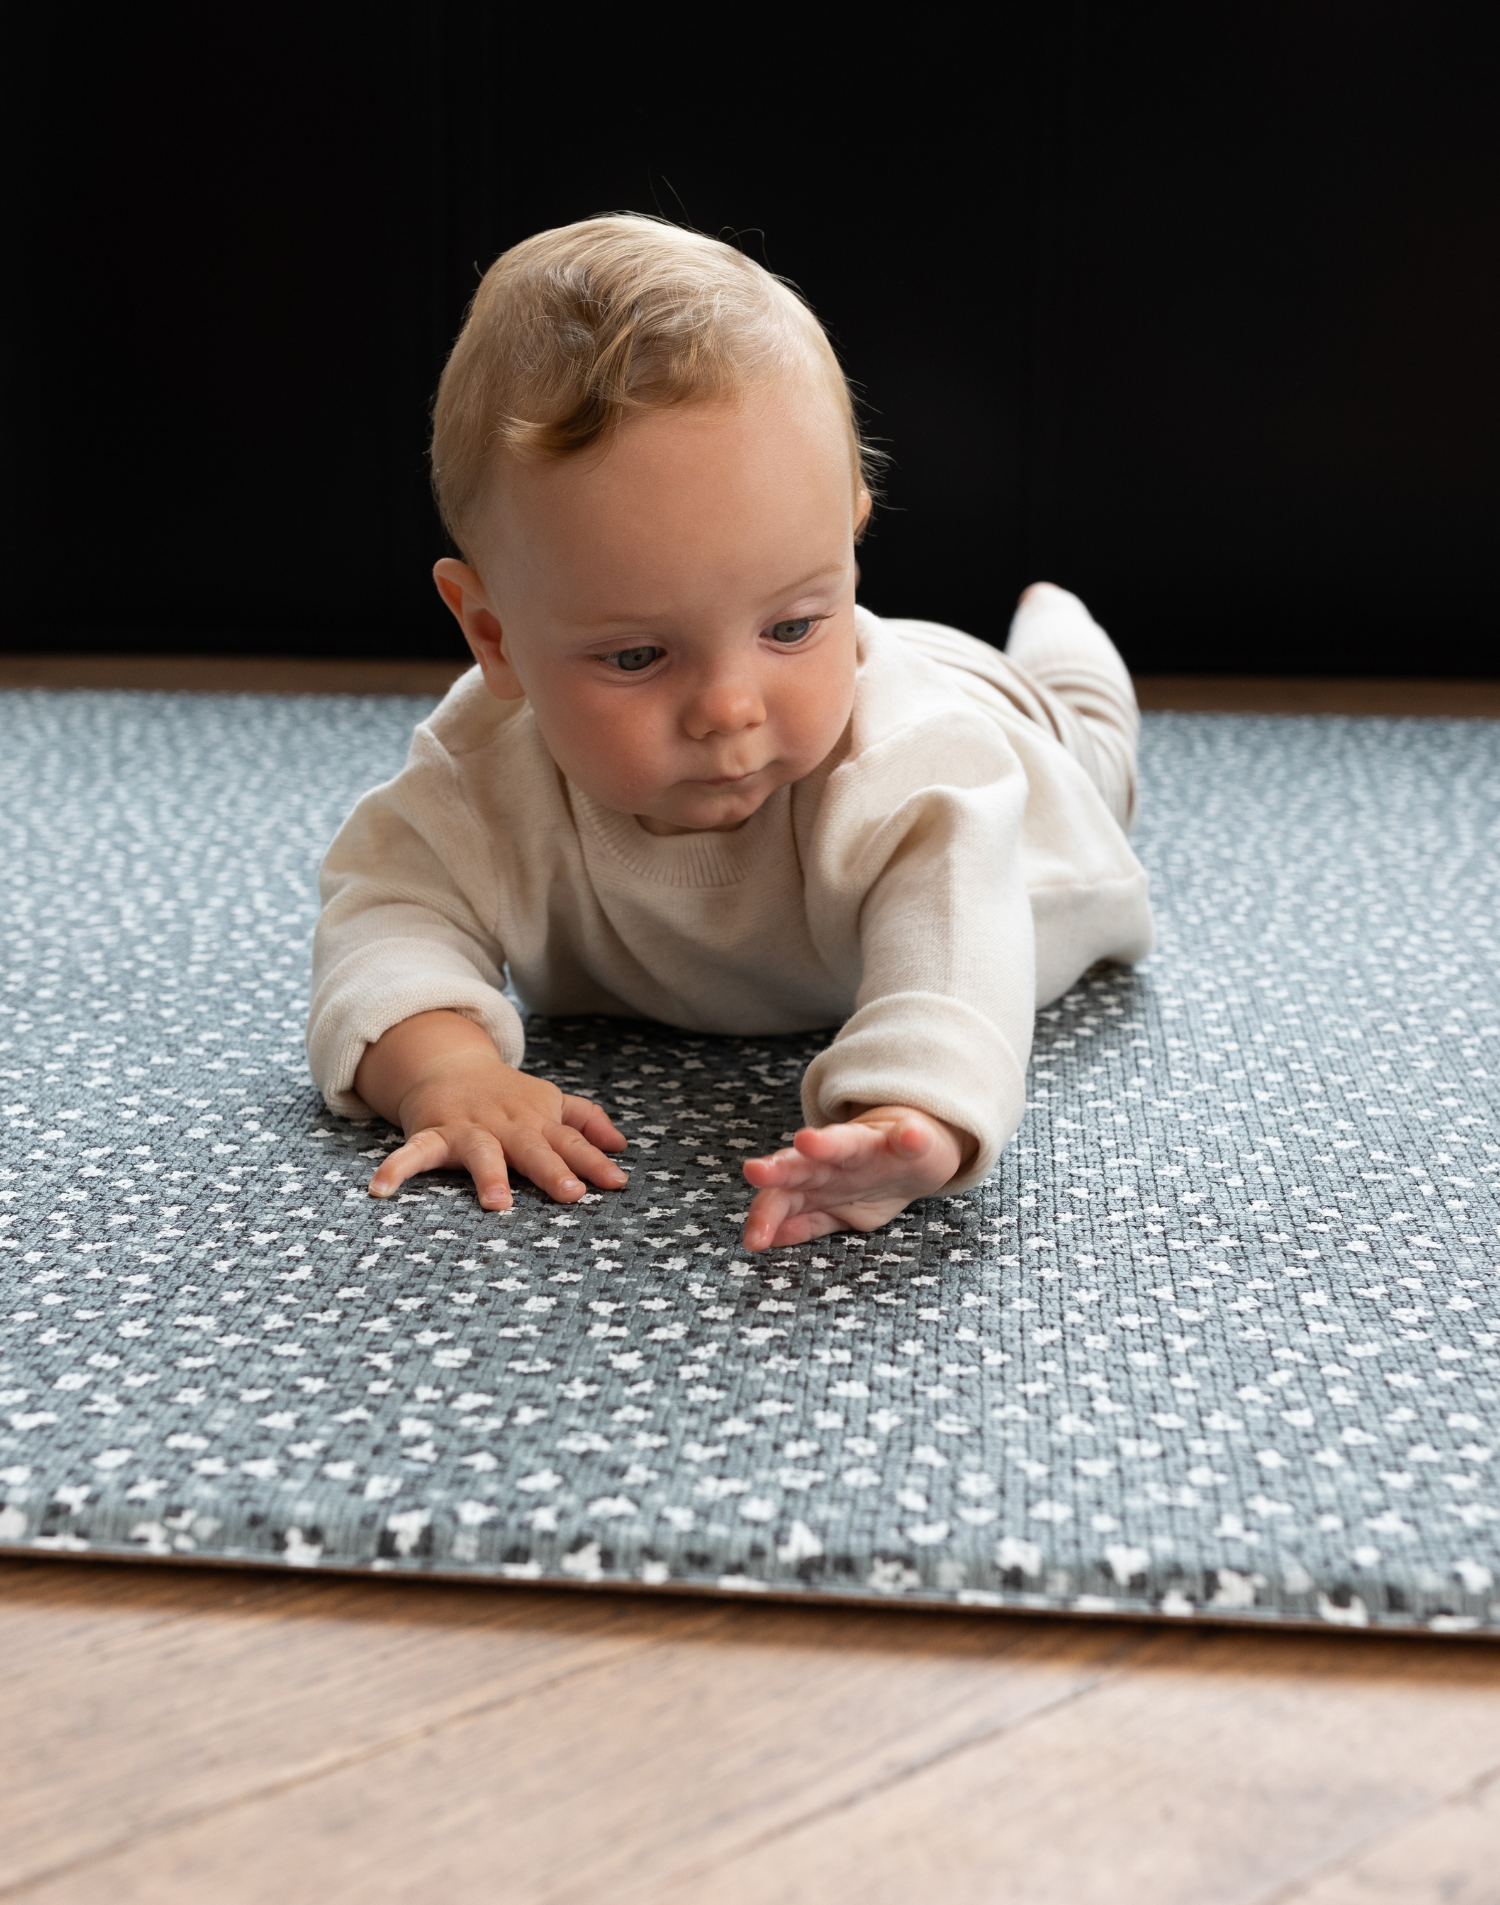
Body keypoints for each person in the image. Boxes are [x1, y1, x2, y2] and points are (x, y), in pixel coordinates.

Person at [308, 215, 1152, 1253]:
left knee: (1090, 747)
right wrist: (446, 1070)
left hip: (1023, 785)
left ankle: (1065, 648)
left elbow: (956, 956)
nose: (729, 707)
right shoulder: (477, 779)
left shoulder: (927, 770)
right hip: (871, 683)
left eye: (791, 623)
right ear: (495, 635)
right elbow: (386, 918)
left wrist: (914, 1117)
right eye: (636, 657)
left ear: (850, 540)